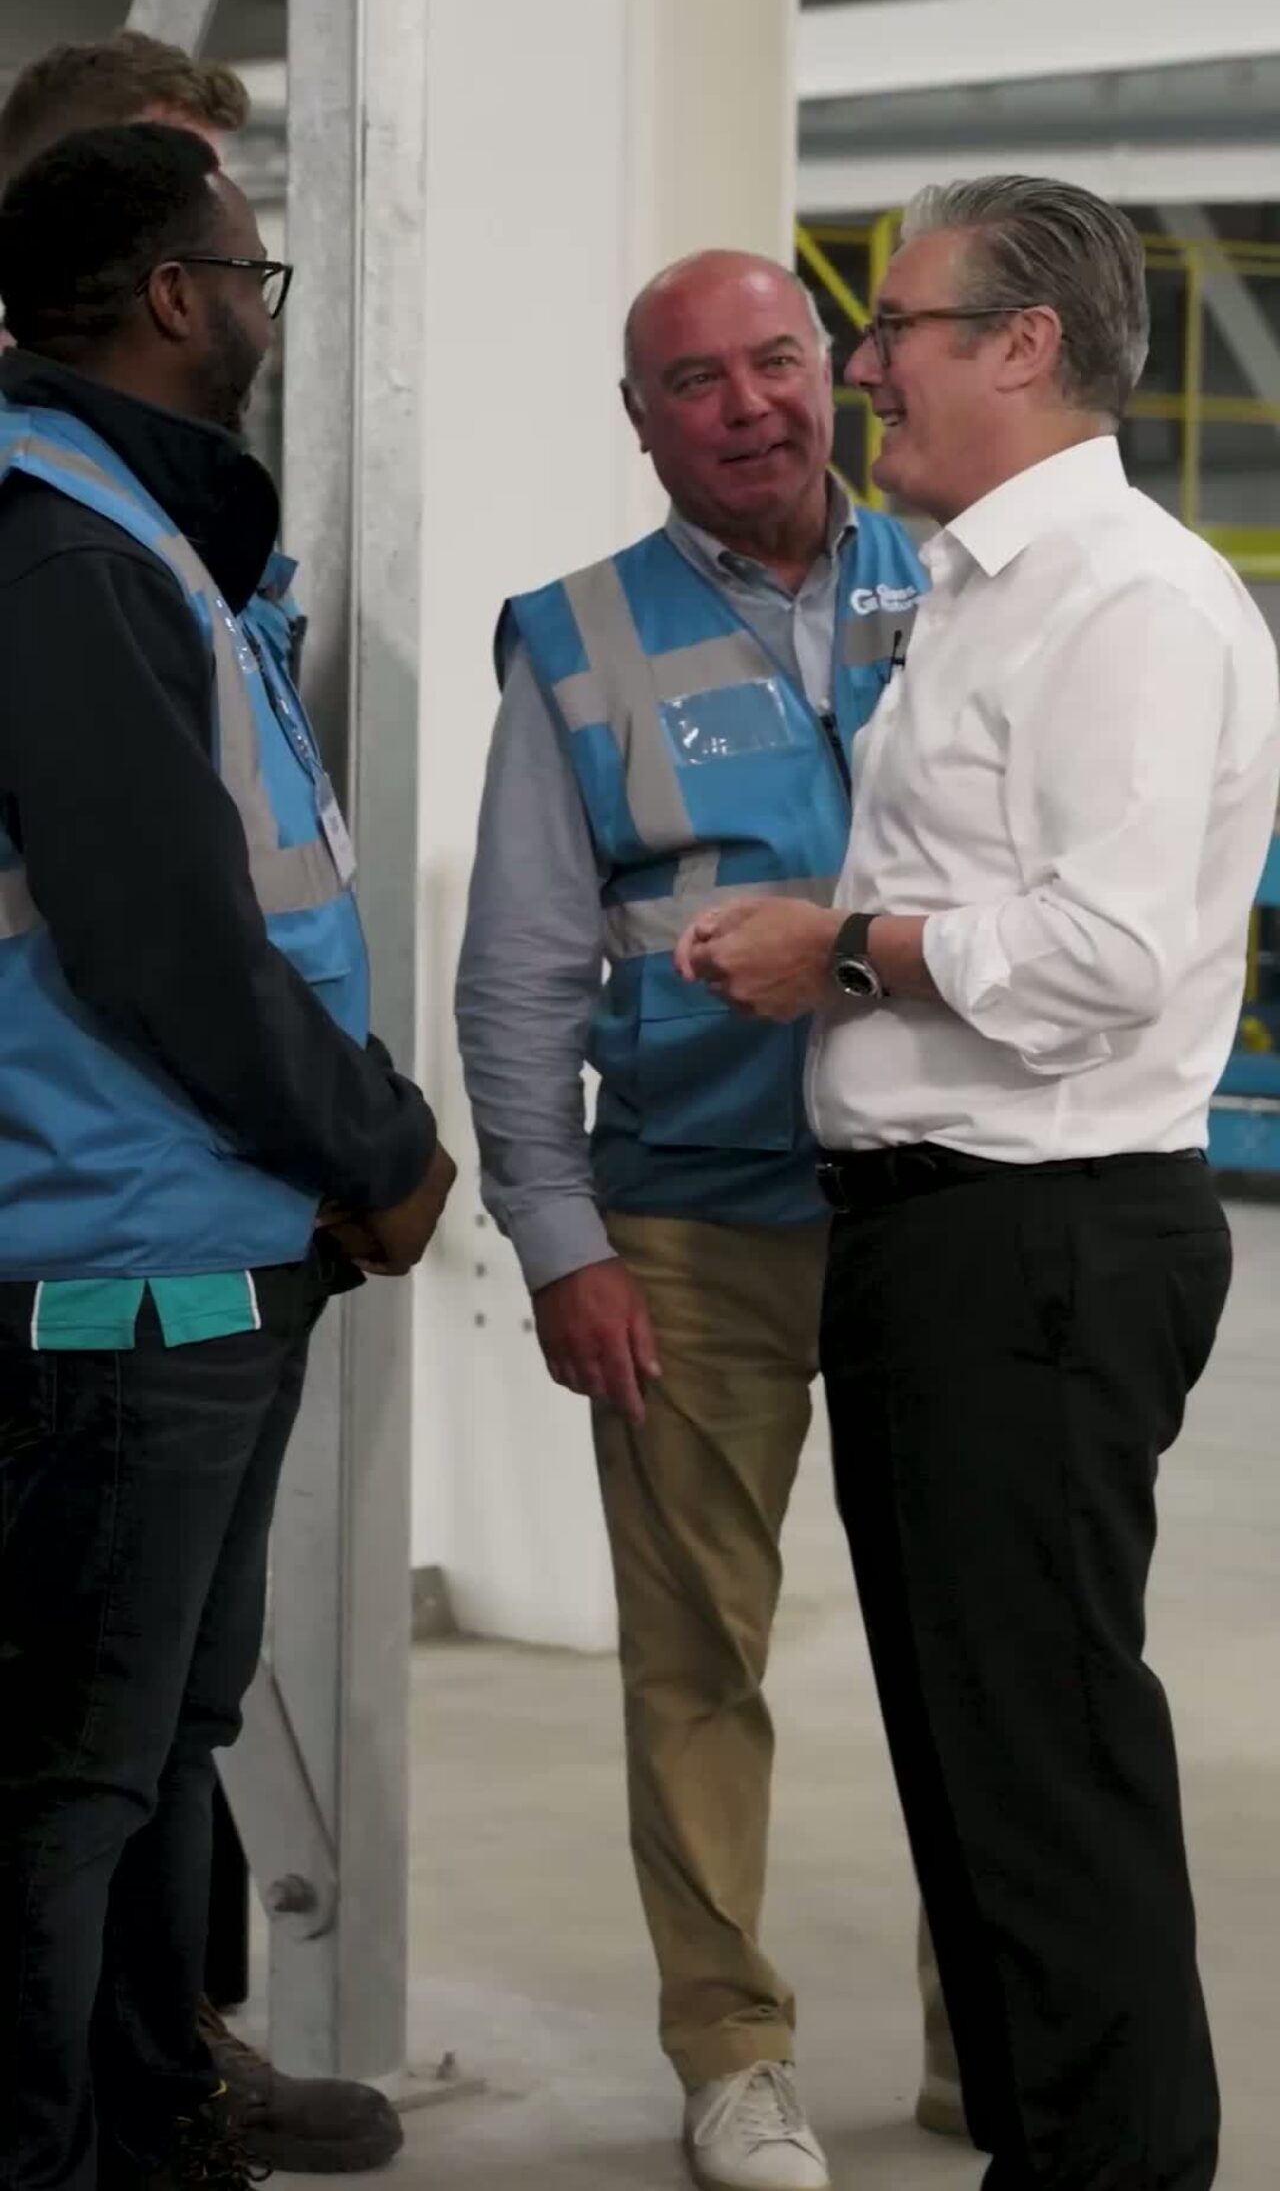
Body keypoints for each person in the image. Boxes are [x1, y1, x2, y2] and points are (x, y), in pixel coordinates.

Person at [676, 176, 1280, 2191]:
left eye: (898, 326)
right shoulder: (985, 588)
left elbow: (1098, 955)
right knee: (973, 1763)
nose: (862, 368)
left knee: (1041, 1770)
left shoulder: (1122, 598)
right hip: (943, 1236)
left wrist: (835, 951)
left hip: (1036, 1236)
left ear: (1022, 344)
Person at [457, 248, 960, 2191]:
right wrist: (557, 1230)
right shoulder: (576, 639)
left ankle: (984, 2028)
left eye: (774, 361)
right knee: (695, 1659)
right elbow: (510, 978)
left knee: (971, 1648)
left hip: (945, 1198)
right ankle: (730, 2046)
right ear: (639, 417)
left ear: (830, 371)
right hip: (688, 1219)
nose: (748, 405)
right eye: (695, 381)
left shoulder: (965, 582)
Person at [0, 123, 455, 2191]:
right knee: (64, 1782)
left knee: (162, 1737)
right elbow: (166, 935)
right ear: (177, 298)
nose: (269, 305)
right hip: (113, 1269)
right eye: (252, 271)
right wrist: (377, 1140)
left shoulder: (134, 530)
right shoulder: (64, 547)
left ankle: (150, 2118)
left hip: (203, 1241)